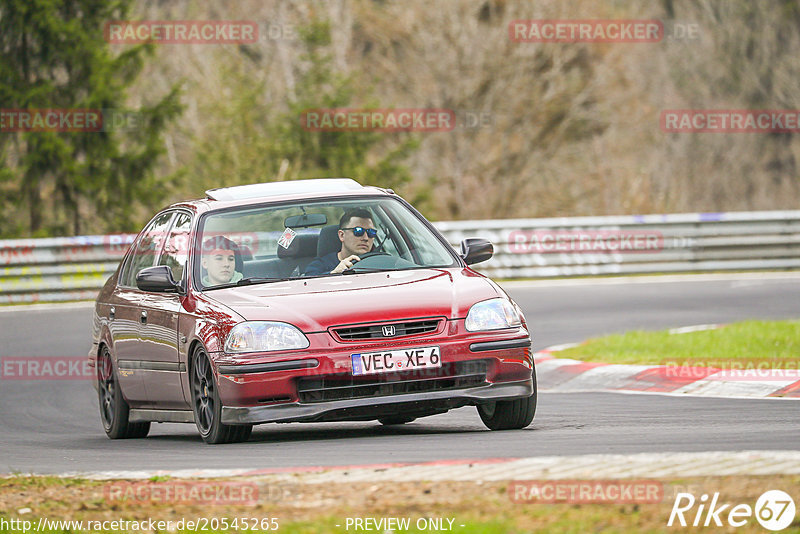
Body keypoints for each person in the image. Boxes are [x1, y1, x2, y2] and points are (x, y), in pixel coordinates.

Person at [305, 208, 377, 275]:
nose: (366, 238)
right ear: (342, 235)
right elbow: (308, 285)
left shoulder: (380, 263)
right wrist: (334, 273)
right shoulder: (319, 266)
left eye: (371, 232)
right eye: (358, 231)